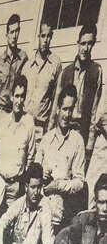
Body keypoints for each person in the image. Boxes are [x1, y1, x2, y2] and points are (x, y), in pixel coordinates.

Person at [51, 23, 103, 163]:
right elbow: (56, 105)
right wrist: (50, 132)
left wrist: (89, 146)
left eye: (90, 44)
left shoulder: (96, 72)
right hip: (63, 128)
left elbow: (94, 111)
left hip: (81, 132)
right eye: (83, 43)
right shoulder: (66, 72)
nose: (85, 48)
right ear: (78, 44)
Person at [37, 84, 85, 231]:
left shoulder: (77, 141)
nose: (67, 114)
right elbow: (34, 174)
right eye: (64, 109)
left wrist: (58, 185)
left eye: (70, 110)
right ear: (58, 109)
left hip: (62, 217)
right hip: (41, 213)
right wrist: (41, 172)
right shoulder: (46, 139)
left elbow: (80, 182)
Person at [0, 74, 36, 202]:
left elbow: (31, 156)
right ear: (12, 96)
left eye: (22, 96)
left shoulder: (29, 123)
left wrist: (22, 185)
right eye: (17, 96)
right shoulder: (3, 123)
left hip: (15, 187)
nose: (19, 101)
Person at [23, 21, 62, 143]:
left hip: (40, 128)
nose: (46, 40)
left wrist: (49, 130)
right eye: (43, 36)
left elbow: (56, 99)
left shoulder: (56, 64)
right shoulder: (27, 65)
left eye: (49, 36)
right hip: (23, 124)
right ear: (38, 37)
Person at [0, 13, 28, 115]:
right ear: (7, 35)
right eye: (11, 32)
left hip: (15, 112)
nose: (14, 36)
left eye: (17, 31)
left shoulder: (23, 58)